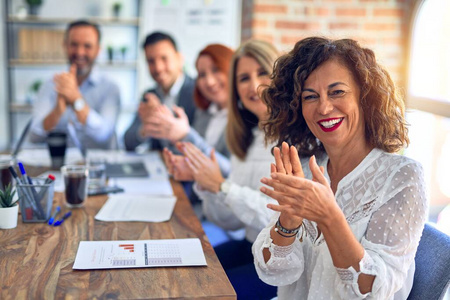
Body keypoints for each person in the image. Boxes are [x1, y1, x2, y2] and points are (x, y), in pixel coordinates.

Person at [253, 37, 428, 299]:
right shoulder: (304, 167)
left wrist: (329, 217)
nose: (323, 107)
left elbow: (373, 290)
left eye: (337, 92)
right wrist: (288, 223)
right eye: (310, 96)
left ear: (365, 98)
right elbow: (275, 271)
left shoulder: (403, 176)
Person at [177, 40, 279, 299]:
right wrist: (207, 185)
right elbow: (231, 220)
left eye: (262, 72)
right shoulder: (247, 137)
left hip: (282, 263)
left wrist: (222, 186)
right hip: (250, 246)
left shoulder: (296, 138)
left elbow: (280, 221)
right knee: (184, 274)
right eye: (244, 78)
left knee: (209, 291)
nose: (253, 84)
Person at [29, 20, 121, 149]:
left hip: (99, 165)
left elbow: (104, 134)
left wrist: (76, 100)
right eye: (74, 44)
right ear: (65, 46)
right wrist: (57, 111)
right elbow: (33, 136)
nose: (80, 52)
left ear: (98, 49)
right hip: (61, 165)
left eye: (87, 46)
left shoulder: (111, 88)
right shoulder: (51, 85)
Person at [162, 44, 234, 181]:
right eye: (202, 75)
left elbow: (231, 171)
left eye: (216, 70)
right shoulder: (204, 113)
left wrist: (186, 134)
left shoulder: (246, 119)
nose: (209, 81)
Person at [123, 32, 196, 152]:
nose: (158, 68)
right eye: (151, 61)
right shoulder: (150, 95)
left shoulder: (197, 92)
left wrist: (160, 117)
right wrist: (146, 128)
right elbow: (128, 141)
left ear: (179, 59)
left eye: (164, 58)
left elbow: (199, 146)